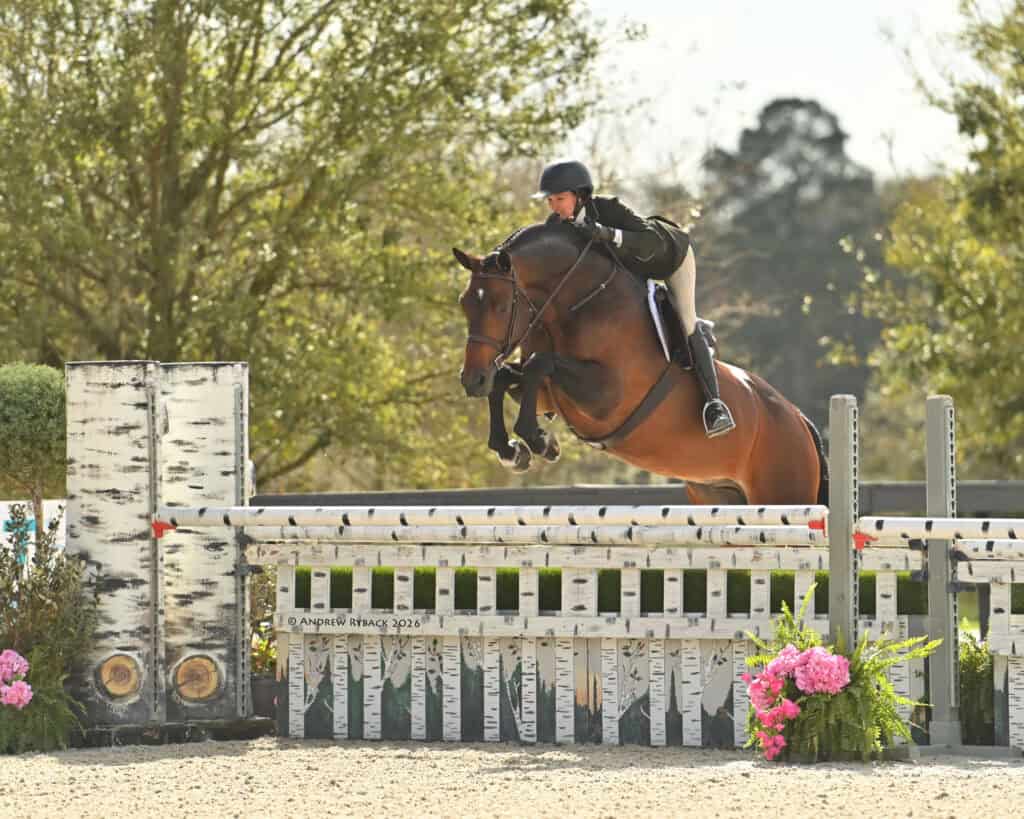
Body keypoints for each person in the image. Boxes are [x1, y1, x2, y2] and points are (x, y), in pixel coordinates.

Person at [532, 160, 736, 438]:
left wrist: (607, 233)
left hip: (667, 258)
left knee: (685, 318)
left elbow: (650, 241)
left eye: (560, 198)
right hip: (629, 272)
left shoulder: (607, 208)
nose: (554, 206)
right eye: (550, 200)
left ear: (580, 196)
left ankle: (715, 405)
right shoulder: (556, 226)